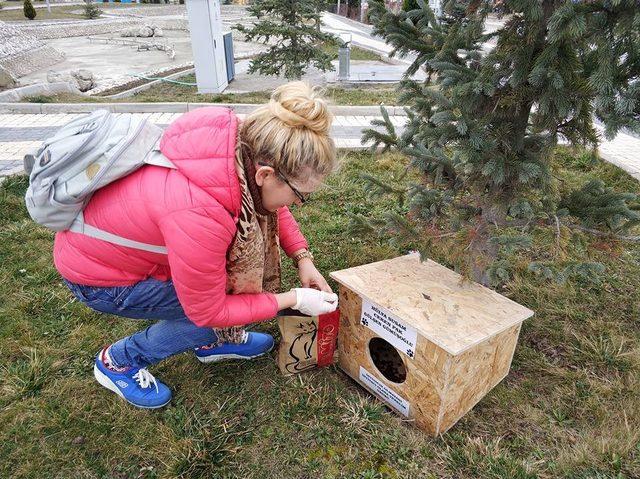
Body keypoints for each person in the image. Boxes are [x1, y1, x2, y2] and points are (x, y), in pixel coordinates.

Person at [54, 82, 339, 409]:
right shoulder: (203, 213)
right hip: (98, 277)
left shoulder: (240, 145)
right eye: (300, 194)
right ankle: (119, 360)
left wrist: (303, 258)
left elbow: (274, 206)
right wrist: (294, 298)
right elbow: (208, 310)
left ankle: (211, 343)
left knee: (231, 297)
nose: (299, 203)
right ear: (264, 175)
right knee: (216, 315)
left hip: (118, 248)